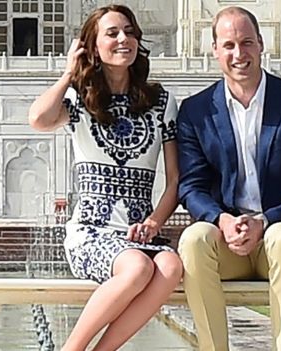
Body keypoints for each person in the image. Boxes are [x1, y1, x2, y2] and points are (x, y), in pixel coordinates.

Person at [176, 6, 281, 351]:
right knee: (193, 239)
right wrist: (222, 220)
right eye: (228, 45)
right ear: (215, 50)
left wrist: (265, 221)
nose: (238, 54)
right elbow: (191, 186)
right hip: (228, 239)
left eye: (246, 43)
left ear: (261, 44)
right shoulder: (196, 111)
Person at [28, 5, 182, 351]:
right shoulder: (82, 98)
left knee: (171, 267)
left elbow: (175, 181)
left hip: (140, 232)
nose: (123, 39)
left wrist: (155, 222)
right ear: (92, 46)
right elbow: (38, 118)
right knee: (137, 267)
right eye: (112, 33)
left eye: (129, 31)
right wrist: (69, 73)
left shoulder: (160, 102)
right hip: (92, 232)